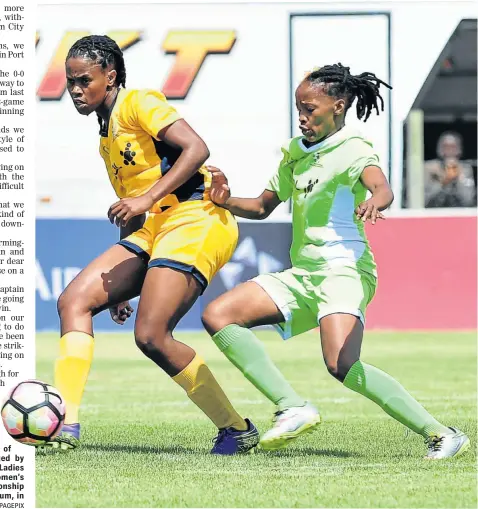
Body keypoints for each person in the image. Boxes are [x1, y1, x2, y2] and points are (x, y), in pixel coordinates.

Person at [202, 64, 470, 460]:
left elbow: (383, 187)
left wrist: (374, 201)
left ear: (338, 107)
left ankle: (442, 434)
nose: (302, 117)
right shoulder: (294, 153)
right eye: (298, 109)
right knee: (218, 315)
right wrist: (226, 201)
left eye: (310, 109)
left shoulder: (354, 148)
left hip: (344, 271)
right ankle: (292, 405)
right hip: (303, 274)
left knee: (341, 364)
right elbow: (262, 205)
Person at [48, 35, 259, 454]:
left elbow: (197, 148)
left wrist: (146, 197)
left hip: (197, 218)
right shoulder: (106, 134)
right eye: (70, 82)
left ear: (110, 76)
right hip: (155, 228)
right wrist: (121, 285)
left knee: (151, 335)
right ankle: (63, 424)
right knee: (73, 301)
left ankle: (236, 429)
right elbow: (132, 210)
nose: (75, 90)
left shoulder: (139, 101)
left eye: (83, 80)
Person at [424, 131, 476, 207]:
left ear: (459, 150)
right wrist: (444, 182)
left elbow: (469, 200)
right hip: (434, 212)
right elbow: (424, 199)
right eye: (445, 147)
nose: (449, 151)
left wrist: (458, 180)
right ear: (439, 149)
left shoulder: (465, 169)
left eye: (453, 147)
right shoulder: (429, 168)